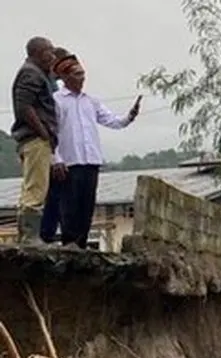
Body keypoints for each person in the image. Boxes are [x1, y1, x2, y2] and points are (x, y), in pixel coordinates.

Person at [51, 54, 140, 249]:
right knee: (69, 207)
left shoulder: (91, 101)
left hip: (91, 160)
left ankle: (81, 245)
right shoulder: (57, 101)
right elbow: (52, 132)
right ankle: (70, 244)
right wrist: (55, 158)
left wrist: (129, 116)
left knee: (87, 206)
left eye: (83, 74)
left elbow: (113, 121)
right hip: (69, 162)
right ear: (65, 77)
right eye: (77, 74)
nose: (82, 78)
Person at [9, 37, 58, 243]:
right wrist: (43, 132)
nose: (53, 56)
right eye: (50, 51)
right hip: (35, 138)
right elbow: (24, 107)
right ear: (38, 52)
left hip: (35, 138)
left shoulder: (39, 73)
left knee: (31, 187)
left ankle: (27, 236)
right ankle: (30, 237)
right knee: (36, 189)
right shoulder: (30, 73)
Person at [39, 47, 72, 243]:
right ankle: (46, 235)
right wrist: (55, 157)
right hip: (49, 149)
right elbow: (50, 124)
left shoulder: (53, 87)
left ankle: (49, 234)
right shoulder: (49, 88)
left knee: (55, 195)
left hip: (53, 147)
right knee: (53, 195)